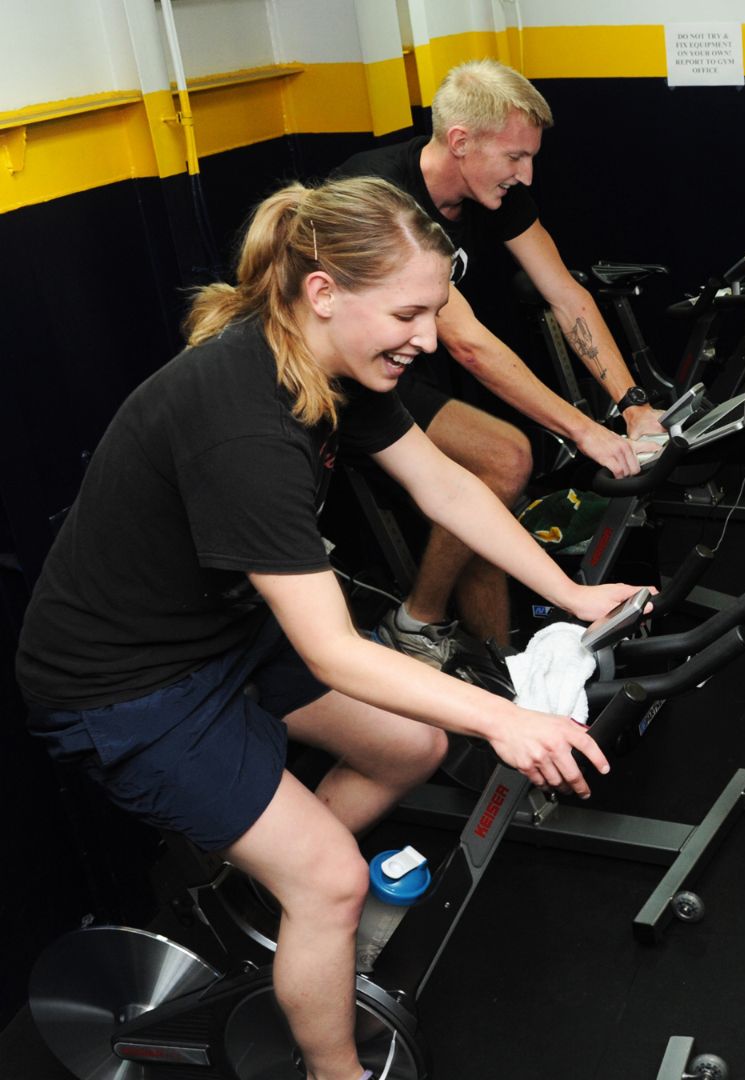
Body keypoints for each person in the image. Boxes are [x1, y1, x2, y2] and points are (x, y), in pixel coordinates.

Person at [17, 176, 646, 1080]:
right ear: (323, 293)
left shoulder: (330, 364)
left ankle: (265, 896)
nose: (428, 339)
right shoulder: (242, 421)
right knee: (335, 881)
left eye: (435, 311)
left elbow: (448, 486)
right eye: (409, 314)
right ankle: (333, 1065)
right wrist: (505, 718)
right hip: (121, 686)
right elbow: (333, 649)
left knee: (410, 746)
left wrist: (572, 592)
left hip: (214, 638)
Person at [333, 59, 664, 663]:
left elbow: (566, 295)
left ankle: (500, 667)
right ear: (460, 142)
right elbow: (466, 342)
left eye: (531, 157)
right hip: (344, 380)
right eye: (515, 157)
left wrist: (633, 404)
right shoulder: (382, 195)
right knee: (505, 457)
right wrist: (586, 431)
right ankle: (417, 621)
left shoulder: (493, 195)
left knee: (490, 496)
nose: (526, 174)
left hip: (413, 366)